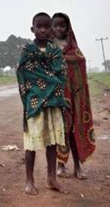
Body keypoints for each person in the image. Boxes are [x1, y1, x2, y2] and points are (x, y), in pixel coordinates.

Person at [17, 12, 69, 195]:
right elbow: (24, 75)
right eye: (39, 26)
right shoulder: (27, 51)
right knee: (31, 143)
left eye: (47, 26)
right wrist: (48, 81)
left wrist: (51, 82)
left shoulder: (55, 51)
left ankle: (51, 178)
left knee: (52, 142)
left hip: (53, 102)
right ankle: (29, 182)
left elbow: (61, 73)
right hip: (34, 102)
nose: (43, 30)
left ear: (51, 30)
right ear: (32, 29)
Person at [52, 12, 96, 180]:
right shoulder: (49, 46)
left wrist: (66, 60)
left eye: (62, 25)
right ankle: (60, 166)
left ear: (68, 27)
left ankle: (78, 166)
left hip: (74, 97)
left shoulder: (73, 47)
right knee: (59, 130)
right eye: (55, 25)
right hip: (56, 96)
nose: (58, 29)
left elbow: (80, 61)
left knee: (74, 130)